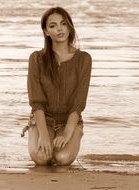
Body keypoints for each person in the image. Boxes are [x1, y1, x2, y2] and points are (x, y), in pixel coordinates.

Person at [23, 6, 92, 166]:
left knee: (62, 158)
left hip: (69, 120)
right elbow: (36, 100)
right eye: (52, 26)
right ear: (46, 31)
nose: (59, 29)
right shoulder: (36, 59)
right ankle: (35, 131)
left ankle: (76, 133)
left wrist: (67, 134)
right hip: (42, 119)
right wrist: (43, 135)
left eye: (63, 24)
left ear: (69, 26)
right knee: (41, 158)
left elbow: (78, 102)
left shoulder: (83, 59)